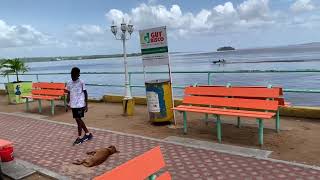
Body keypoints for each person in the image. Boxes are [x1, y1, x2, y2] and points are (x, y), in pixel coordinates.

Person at [67, 67, 93, 145]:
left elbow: (85, 93)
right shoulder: (69, 82)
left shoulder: (81, 82)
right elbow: (68, 93)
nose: (72, 76)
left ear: (78, 75)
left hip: (80, 104)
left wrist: (86, 104)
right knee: (78, 119)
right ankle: (88, 134)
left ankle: (79, 137)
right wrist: (67, 103)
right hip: (73, 104)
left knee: (78, 120)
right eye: (71, 75)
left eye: (74, 75)